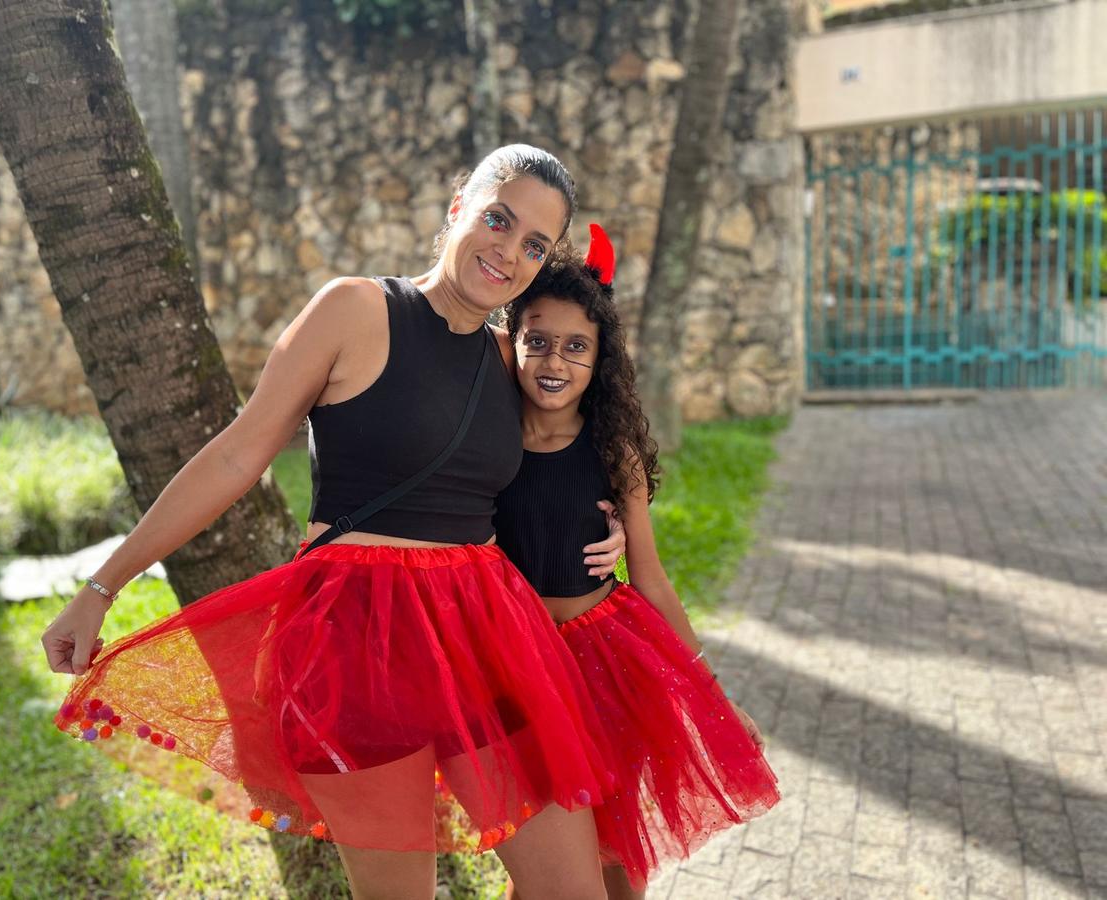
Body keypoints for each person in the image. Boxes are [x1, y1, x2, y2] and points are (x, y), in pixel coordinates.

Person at [41, 145, 629, 900]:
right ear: (459, 210)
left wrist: (603, 526)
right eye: (498, 219)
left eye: (534, 246)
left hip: (489, 638)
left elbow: (543, 464)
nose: (508, 252)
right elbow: (235, 457)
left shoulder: (505, 358)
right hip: (358, 644)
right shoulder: (356, 310)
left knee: (571, 890)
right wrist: (102, 586)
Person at [494, 226, 780, 898]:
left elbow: (649, 577)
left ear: (601, 358)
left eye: (575, 346)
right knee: (544, 858)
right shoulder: (489, 446)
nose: (552, 360)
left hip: (606, 669)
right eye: (536, 341)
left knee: (616, 859)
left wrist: (714, 696)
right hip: (521, 669)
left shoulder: (610, 450)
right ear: (511, 342)